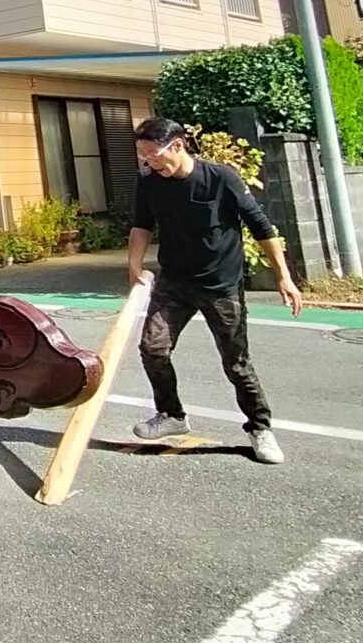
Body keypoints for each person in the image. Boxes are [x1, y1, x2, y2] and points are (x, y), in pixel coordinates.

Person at [128, 117, 302, 464]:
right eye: (143, 154)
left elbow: (261, 227)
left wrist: (284, 276)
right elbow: (141, 225)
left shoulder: (221, 179)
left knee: (236, 364)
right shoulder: (149, 181)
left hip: (221, 285)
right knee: (153, 348)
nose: (148, 161)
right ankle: (172, 415)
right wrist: (134, 265)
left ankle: (260, 428)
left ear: (176, 146)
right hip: (175, 282)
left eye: (152, 153)